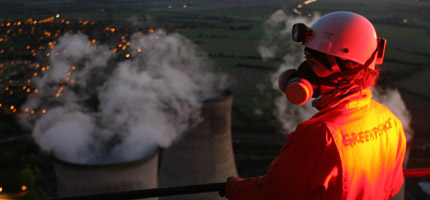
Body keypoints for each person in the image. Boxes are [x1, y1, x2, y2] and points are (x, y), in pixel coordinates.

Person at [222, 11, 407, 200]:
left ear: (346, 73)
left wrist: (233, 188)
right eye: (306, 60)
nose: (304, 71)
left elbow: (271, 194)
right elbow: (393, 187)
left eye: (314, 63)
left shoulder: (319, 135)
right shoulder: (390, 122)